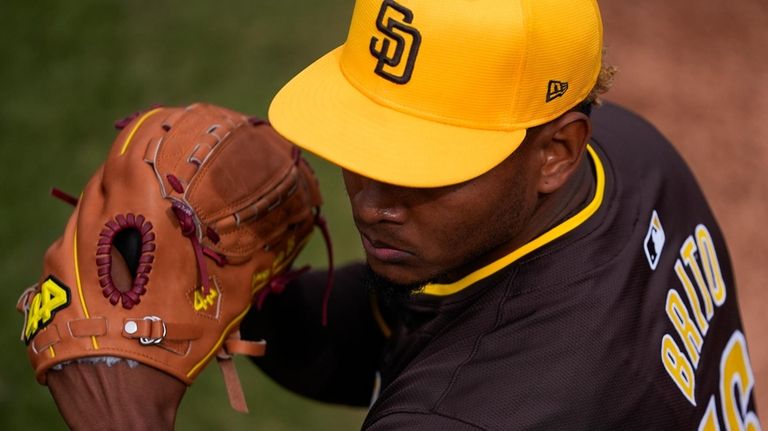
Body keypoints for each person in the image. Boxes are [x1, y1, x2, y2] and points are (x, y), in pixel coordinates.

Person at [38, 0, 762, 429]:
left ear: (554, 151)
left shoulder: (468, 414)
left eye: (426, 170)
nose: (374, 202)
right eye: (367, 147)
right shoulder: (632, 156)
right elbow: (394, 330)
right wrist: (243, 294)